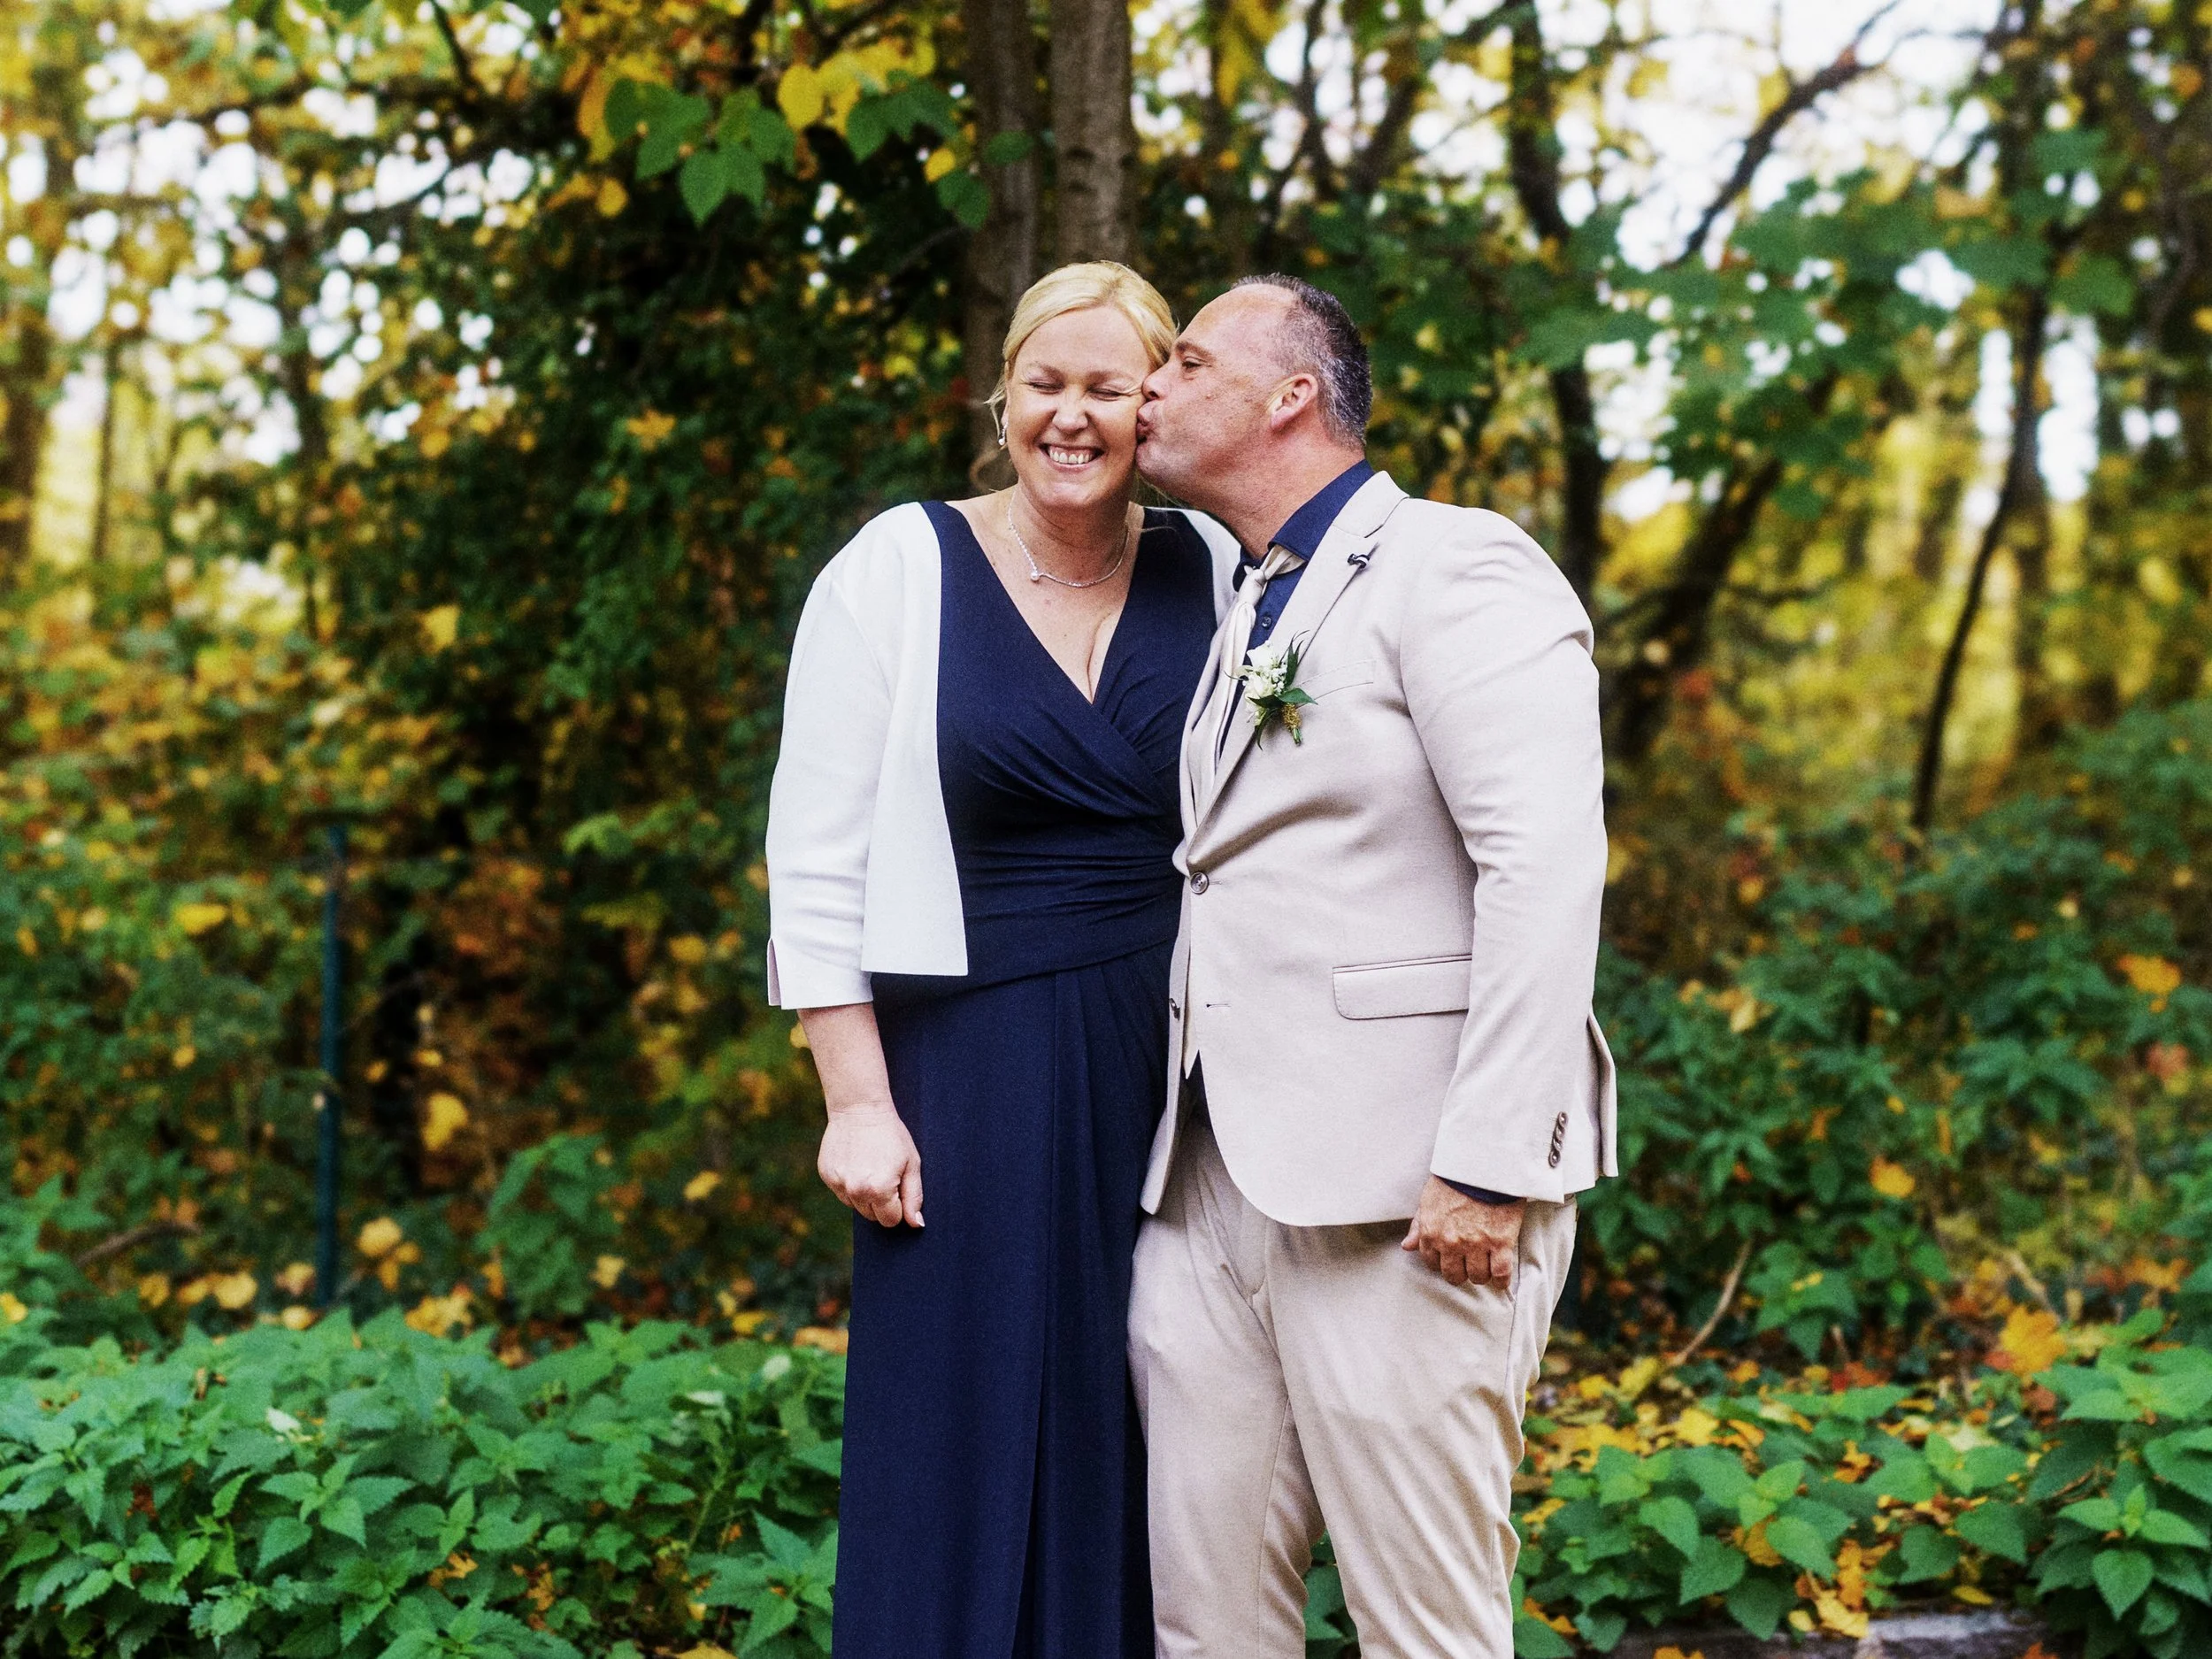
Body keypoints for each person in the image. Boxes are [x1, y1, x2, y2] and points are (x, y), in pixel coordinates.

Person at [1125, 273, 1617, 1658]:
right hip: (1210, 1181)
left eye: (1189, 360)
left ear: (1291, 394)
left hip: (1411, 1188)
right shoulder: (1245, 604)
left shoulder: (1456, 564)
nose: (1151, 386)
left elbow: (1544, 862)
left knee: (1424, 1626)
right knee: (1203, 1618)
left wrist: (1492, 1158)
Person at [764, 262, 1240, 1659]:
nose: (1073, 417)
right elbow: (817, 857)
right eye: (1047, 385)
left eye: (1108, 388)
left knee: (1155, 1433)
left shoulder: (1212, 566)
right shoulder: (897, 568)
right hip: (958, 1077)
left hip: (1179, 1086)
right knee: (955, 1439)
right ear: (1004, 397)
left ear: (1155, 404)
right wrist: (856, 1100)